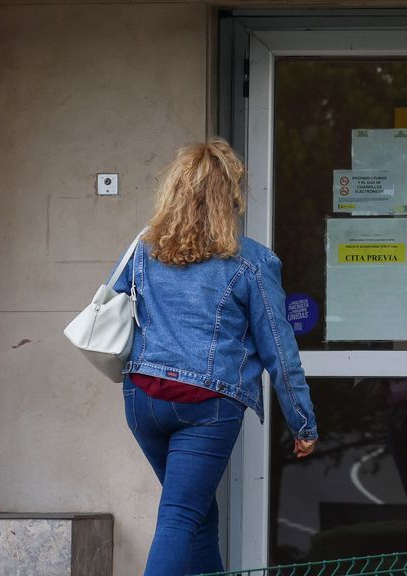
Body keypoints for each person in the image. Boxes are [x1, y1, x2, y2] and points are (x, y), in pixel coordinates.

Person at [110, 138, 318, 576]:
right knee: (181, 517)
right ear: (231, 198)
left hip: (142, 399)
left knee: (199, 514)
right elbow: (280, 349)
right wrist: (302, 421)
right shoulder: (251, 262)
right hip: (206, 404)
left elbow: (113, 301)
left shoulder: (144, 250)